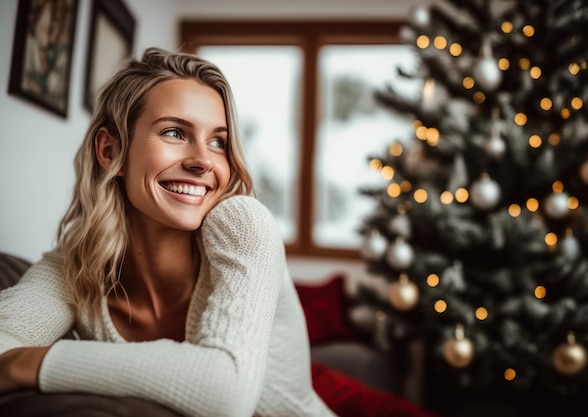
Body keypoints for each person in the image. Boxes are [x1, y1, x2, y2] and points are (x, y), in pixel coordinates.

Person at [0, 47, 337, 417]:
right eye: (175, 132)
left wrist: (32, 363)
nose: (203, 161)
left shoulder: (243, 223)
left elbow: (226, 392)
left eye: (218, 142)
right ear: (110, 151)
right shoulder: (78, 262)